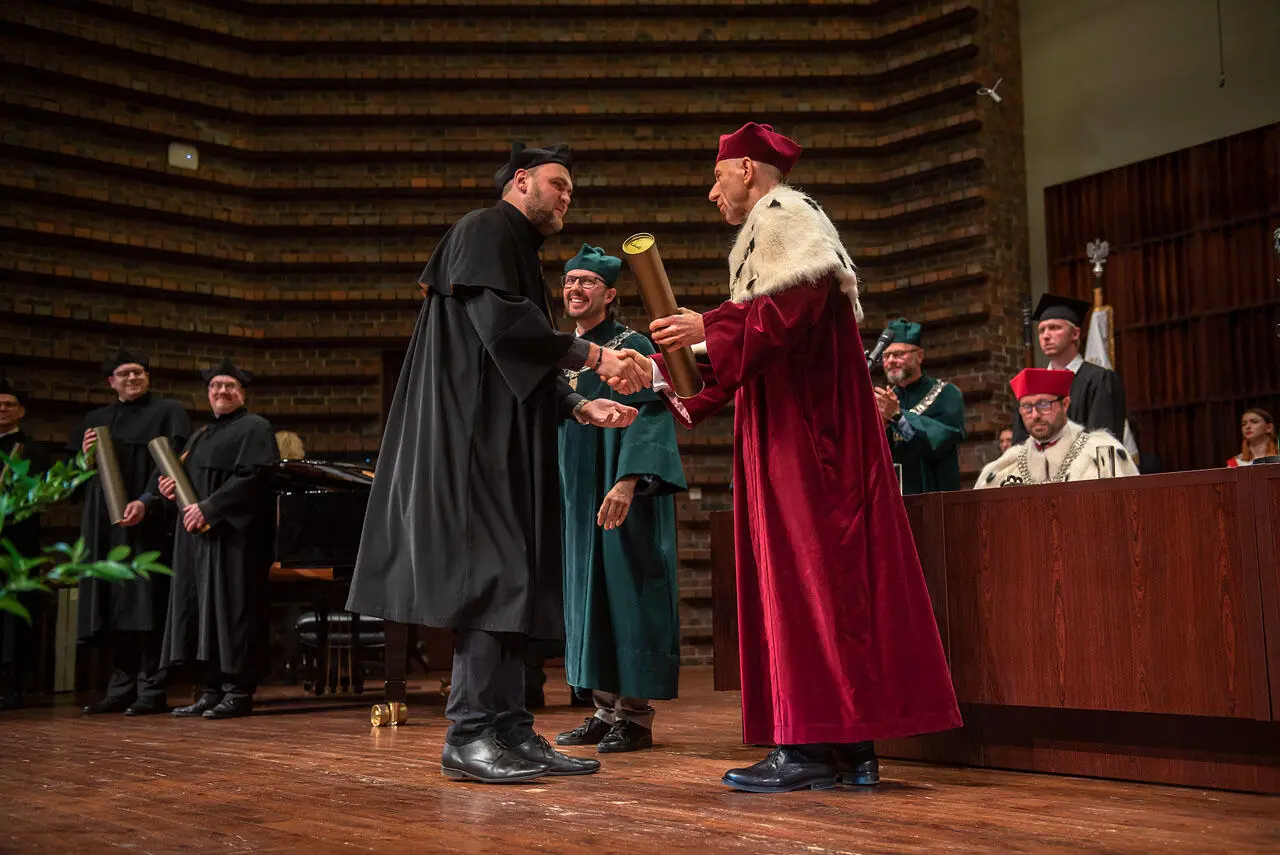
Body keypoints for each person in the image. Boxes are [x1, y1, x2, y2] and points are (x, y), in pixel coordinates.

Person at [638, 122, 961, 793]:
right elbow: (761, 344)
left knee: (804, 585)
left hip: (808, 445)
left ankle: (810, 746)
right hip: (799, 434)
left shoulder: (786, 215)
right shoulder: (775, 226)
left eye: (717, 176)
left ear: (746, 168)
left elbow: (782, 317)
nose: (711, 193)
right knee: (831, 590)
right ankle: (848, 748)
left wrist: (707, 327)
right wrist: (667, 375)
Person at [344, 142, 649, 784]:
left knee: (518, 578)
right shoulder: (484, 228)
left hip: (506, 438)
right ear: (521, 180)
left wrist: (578, 406)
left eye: (571, 190)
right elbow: (503, 327)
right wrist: (595, 359)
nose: (566, 197)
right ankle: (470, 734)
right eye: (558, 184)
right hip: (470, 440)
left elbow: (520, 358)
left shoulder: (520, 252)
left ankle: (511, 729)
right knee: (492, 576)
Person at [551, 245, 686, 755]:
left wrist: (628, 480)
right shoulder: (564, 350)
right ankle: (603, 710)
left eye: (587, 282)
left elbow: (654, 415)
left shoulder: (632, 348)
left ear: (609, 294)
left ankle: (634, 716)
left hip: (622, 490)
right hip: (576, 496)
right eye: (570, 281)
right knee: (586, 597)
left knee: (627, 593)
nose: (575, 289)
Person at [156, 359, 279, 719]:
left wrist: (210, 509)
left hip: (234, 540)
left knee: (234, 613)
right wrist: (170, 491)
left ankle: (238, 692)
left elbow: (254, 477)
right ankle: (211, 690)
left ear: (242, 393)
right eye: (215, 386)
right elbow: (187, 484)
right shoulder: (200, 436)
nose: (221, 391)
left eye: (229, 386)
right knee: (202, 613)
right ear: (207, 393)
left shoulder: (255, 428)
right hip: (198, 541)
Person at [72, 348, 190, 716]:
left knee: (147, 604)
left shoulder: (169, 412)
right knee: (111, 605)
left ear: (148, 376)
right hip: (106, 528)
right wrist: (83, 457)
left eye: (138, 372)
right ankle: (121, 687)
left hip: (149, 525)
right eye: (124, 374)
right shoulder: (96, 420)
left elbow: (173, 464)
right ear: (112, 381)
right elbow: (73, 482)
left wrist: (147, 501)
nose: (132, 378)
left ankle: (152, 688)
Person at [976, 368, 1138, 488]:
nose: (1035, 415)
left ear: (1065, 404)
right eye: (1027, 407)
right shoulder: (1005, 467)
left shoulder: (1101, 453)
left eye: (1043, 404)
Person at [0, 378, 52, 710]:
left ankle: (11, 684)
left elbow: (41, 498)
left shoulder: (33, 452)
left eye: (9, 405)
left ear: (21, 411)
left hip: (16, 544)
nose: (2, 410)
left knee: (13, 615)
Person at [1011, 294, 1126, 443]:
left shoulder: (1099, 380)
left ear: (1075, 334)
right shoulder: (1032, 386)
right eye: (1041, 330)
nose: (1046, 336)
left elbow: (1103, 443)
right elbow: (1020, 445)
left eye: (1054, 328)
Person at [873, 317, 965, 494]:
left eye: (898, 354)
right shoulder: (885, 400)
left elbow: (938, 441)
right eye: (885, 355)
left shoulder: (946, 394)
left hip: (935, 497)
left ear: (919, 356)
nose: (891, 360)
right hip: (893, 498)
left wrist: (898, 416)